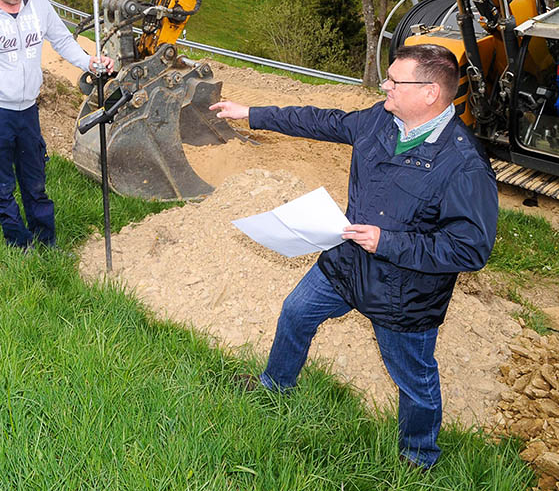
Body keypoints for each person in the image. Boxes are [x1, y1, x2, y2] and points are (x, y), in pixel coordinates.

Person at [210, 44, 497, 470]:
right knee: (296, 312)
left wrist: (388, 242)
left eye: (396, 81)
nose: (386, 86)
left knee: (414, 377)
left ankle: (419, 456)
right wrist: (252, 113)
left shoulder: (464, 164)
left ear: (430, 94)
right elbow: (322, 120)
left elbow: (470, 247)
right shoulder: (382, 120)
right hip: (347, 263)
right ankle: (274, 387)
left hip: (405, 291)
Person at [0, 0, 112, 250]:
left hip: (27, 110)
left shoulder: (38, 3)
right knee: (1, 185)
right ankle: (20, 243)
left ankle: (46, 241)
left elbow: (63, 40)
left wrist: (89, 63)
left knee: (35, 181)